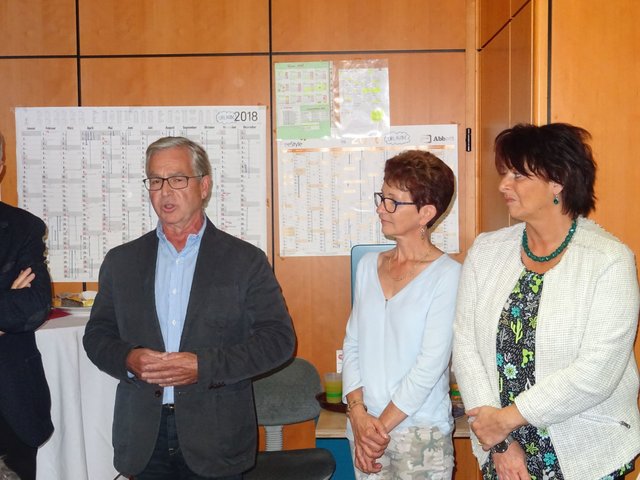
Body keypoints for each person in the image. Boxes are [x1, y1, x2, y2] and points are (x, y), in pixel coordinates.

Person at [83, 136, 296, 479]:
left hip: (217, 437)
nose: (165, 191)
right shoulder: (122, 262)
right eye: (155, 180)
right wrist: (128, 359)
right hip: (143, 436)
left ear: (204, 186)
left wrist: (204, 366)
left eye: (178, 179)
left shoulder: (244, 260)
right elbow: (97, 336)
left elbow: (278, 341)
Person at [453, 123, 640, 480]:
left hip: (586, 450)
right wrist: (500, 442)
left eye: (518, 175)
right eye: (504, 174)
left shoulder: (608, 260)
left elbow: (598, 371)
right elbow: (465, 345)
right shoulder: (486, 252)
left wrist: (506, 420)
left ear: (558, 181)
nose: (503, 185)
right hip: (502, 450)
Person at [342, 150, 461, 479]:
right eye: (382, 197)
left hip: (420, 433)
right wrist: (357, 415)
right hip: (364, 427)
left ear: (426, 213)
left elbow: (430, 364)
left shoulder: (447, 275)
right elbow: (352, 344)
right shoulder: (368, 266)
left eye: (392, 201)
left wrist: (376, 430)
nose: (381, 208)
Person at [0, 130, 54, 480]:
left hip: (10, 402)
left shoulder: (23, 228)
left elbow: (34, 305)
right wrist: (7, 298)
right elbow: (16, 307)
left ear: (1, 165)